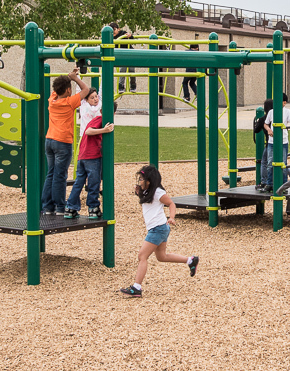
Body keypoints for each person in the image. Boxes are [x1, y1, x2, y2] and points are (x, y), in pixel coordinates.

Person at [121, 165, 199, 297]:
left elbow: (171, 204)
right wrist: (138, 193)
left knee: (142, 256)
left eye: (141, 179)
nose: (139, 181)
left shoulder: (158, 192)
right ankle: (190, 260)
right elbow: (148, 203)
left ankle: (137, 287)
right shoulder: (146, 191)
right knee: (161, 257)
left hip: (158, 228)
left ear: (149, 181)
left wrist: (172, 217)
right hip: (160, 228)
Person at [42, 67, 93, 215]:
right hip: (62, 142)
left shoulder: (52, 100)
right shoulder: (69, 103)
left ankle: (47, 207)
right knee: (60, 175)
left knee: (51, 173)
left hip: (50, 140)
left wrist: (68, 78)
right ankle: (59, 207)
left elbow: (59, 88)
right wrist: (75, 78)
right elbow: (86, 89)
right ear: (68, 91)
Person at [67, 90, 114, 219]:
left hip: (83, 156)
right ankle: (93, 208)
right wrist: (104, 130)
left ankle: (71, 208)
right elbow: (88, 131)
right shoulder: (100, 120)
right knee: (94, 183)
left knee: (79, 182)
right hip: (91, 157)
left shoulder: (96, 117)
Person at [258, 96, 290, 193]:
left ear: (284, 103)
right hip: (272, 141)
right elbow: (266, 124)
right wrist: (269, 130)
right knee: (270, 163)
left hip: (283, 141)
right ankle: (269, 183)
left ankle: (283, 185)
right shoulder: (271, 112)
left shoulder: (287, 111)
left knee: (283, 163)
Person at [112, 23, 137, 92]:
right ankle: (121, 86)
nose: (113, 32)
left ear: (118, 29)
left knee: (131, 70)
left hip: (130, 54)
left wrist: (129, 35)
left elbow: (131, 38)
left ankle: (133, 85)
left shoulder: (122, 33)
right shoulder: (111, 37)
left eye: (114, 30)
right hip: (121, 56)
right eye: (111, 30)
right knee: (122, 69)